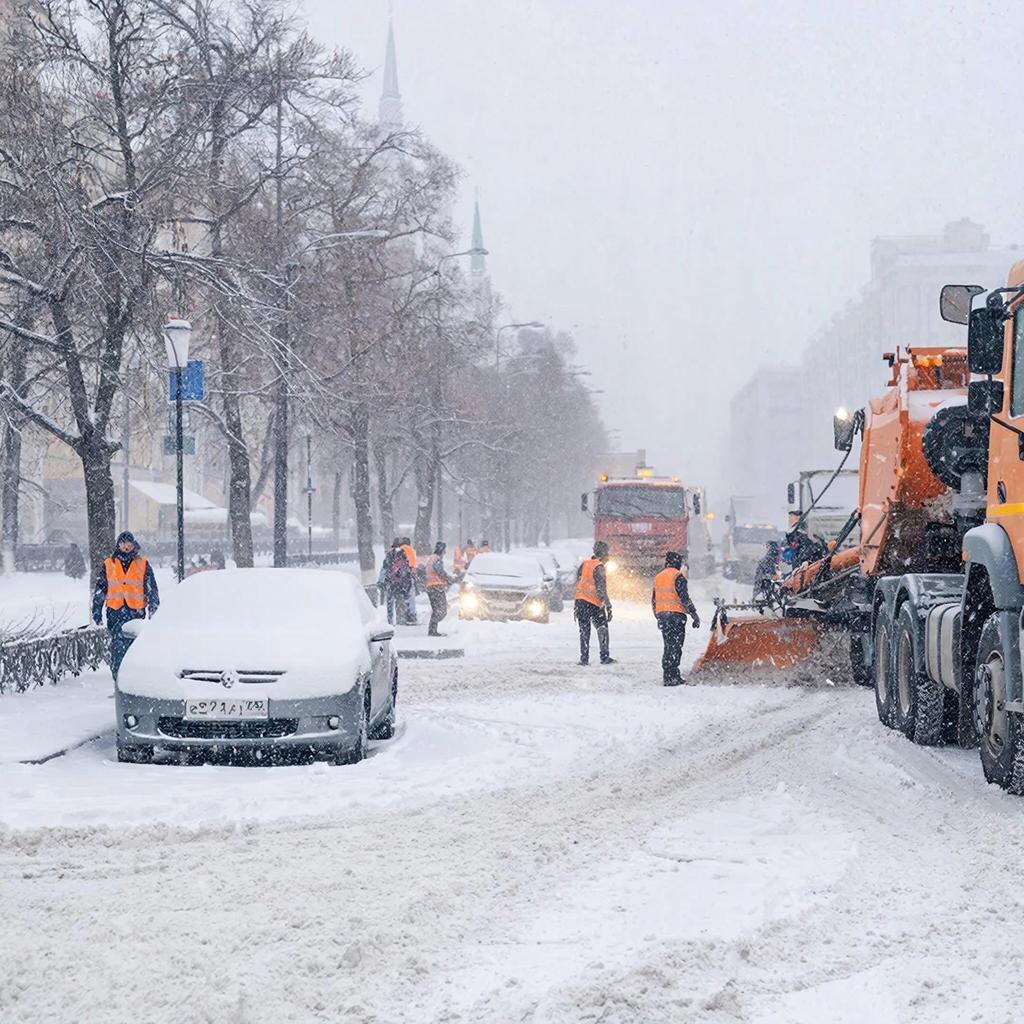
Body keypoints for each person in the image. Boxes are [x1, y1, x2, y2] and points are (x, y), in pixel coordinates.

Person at [91, 531, 159, 679]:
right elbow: (100, 589)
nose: (126, 546)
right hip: (115, 613)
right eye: (122, 543)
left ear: (133, 544)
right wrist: (97, 610)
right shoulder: (109, 564)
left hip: (135, 614)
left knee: (134, 648)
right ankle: (119, 680)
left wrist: (154, 608)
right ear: (118, 545)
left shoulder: (143, 564)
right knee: (118, 648)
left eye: (128, 543)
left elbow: (152, 589)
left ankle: (132, 680)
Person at [652, 551, 700, 685]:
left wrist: (658, 616)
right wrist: (694, 614)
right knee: (676, 646)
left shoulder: (658, 577)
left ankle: (667, 674)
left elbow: (654, 600)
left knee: (668, 645)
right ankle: (673, 675)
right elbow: (684, 598)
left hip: (663, 616)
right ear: (677, 563)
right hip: (676, 616)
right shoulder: (678, 577)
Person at [574, 540, 615, 665]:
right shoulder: (599, 567)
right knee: (602, 628)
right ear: (603, 554)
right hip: (593, 603)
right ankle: (604, 656)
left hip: (580, 602)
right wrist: (608, 606)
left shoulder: (585, 563)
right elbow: (601, 588)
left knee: (584, 631)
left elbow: (578, 578)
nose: (609, 557)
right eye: (607, 554)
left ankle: (584, 658)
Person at [425, 541, 456, 636]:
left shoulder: (431, 558)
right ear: (442, 551)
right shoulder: (437, 559)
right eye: (444, 551)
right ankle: (432, 629)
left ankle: (432, 630)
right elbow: (440, 571)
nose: (444, 553)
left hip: (430, 587)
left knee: (436, 609)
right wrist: (449, 579)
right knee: (442, 610)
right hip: (436, 587)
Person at [400, 536, 419, 624]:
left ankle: (403, 615)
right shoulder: (412, 550)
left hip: (401, 576)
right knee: (411, 597)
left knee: (402, 596)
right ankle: (412, 615)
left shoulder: (400, 550)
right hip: (411, 574)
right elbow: (414, 564)